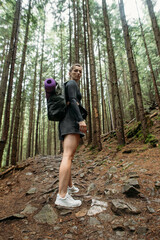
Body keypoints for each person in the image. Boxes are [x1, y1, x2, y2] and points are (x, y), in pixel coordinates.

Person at [55, 63, 87, 208]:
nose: (78, 73)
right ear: (70, 73)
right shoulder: (72, 83)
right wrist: (80, 119)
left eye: (80, 71)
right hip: (71, 121)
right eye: (75, 70)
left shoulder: (67, 85)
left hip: (64, 123)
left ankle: (69, 186)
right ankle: (62, 196)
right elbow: (73, 101)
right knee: (67, 156)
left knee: (69, 156)